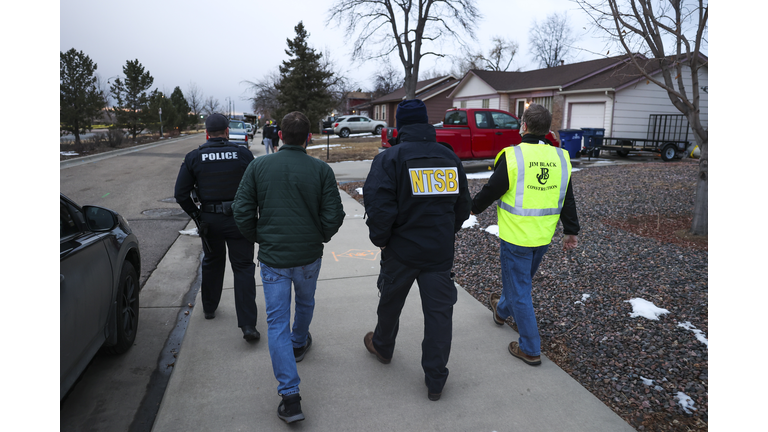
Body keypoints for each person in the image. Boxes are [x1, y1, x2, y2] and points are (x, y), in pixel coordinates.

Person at [232, 111, 345, 424]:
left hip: (274, 260)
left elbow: (241, 211)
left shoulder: (259, 166)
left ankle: (290, 396)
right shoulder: (320, 169)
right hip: (309, 255)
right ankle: (299, 344)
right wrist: (319, 235)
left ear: (280, 136)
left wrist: (261, 238)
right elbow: (334, 214)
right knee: (306, 302)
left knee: (276, 322)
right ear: (308, 138)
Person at [362, 99, 472, 402]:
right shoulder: (448, 157)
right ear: (426, 123)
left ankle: (383, 346)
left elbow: (379, 206)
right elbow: (463, 206)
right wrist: (445, 232)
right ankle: (435, 379)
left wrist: (382, 239)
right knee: (439, 315)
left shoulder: (391, 158)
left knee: (390, 301)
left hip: (402, 251)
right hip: (438, 252)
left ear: (401, 125)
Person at [471, 103, 580, 366]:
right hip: (542, 237)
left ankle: (530, 348)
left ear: (524, 126)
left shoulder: (513, 156)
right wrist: (570, 231)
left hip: (517, 237)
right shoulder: (560, 157)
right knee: (518, 284)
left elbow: (491, 191)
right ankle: (501, 311)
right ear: (547, 129)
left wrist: (468, 208)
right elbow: (567, 198)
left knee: (520, 290)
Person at [174, 113, 260, 342]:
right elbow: (256, 187)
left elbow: (180, 194)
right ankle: (248, 325)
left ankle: (210, 308)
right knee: (243, 268)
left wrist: (197, 217)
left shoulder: (194, 157)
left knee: (212, 262)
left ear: (206, 133)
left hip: (209, 220)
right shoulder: (242, 154)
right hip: (239, 220)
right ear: (227, 131)